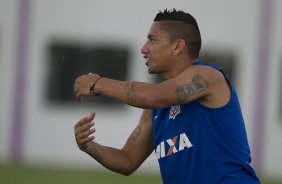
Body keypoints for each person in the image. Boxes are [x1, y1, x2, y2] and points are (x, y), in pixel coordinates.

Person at [73, 9, 260, 184]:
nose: (144, 49)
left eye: (152, 40)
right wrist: (89, 146)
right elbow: (127, 160)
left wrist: (98, 83)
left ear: (178, 46)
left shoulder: (207, 77)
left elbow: (152, 96)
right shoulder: (156, 108)